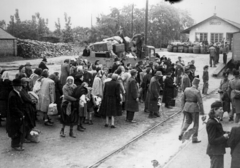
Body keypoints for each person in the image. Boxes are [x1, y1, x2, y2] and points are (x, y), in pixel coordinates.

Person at [179, 78, 206, 143]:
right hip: (194, 108)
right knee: (196, 124)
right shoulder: (197, 92)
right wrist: (202, 113)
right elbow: (200, 103)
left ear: (192, 83)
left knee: (187, 121)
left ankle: (182, 132)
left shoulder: (186, 89)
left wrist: (183, 108)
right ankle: (194, 138)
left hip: (186, 107)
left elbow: (182, 99)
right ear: (197, 84)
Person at [206, 101, 229, 168]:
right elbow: (212, 140)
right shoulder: (211, 122)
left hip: (217, 151)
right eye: (220, 109)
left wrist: (227, 133)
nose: (222, 111)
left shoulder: (215, 120)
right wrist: (224, 137)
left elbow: (218, 132)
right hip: (215, 152)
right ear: (215, 110)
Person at [6, 79, 25, 151]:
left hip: (16, 115)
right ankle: (15, 145)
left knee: (17, 129)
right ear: (15, 87)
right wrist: (21, 114)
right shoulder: (13, 95)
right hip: (14, 116)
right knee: (15, 130)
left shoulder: (15, 93)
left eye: (20, 86)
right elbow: (13, 107)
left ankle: (17, 143)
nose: (21, 87)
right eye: (19, 86)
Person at [20, 78, 37, 142]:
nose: (25, 84)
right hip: (26, 109)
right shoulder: (22, 91)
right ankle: (24, 138)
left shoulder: (26, 89)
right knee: (26, 124)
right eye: (24, 83)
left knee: (29, 123)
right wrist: (32, 101)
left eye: (26, 83)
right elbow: (26, 98)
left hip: (29, 108)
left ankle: (27, 136)